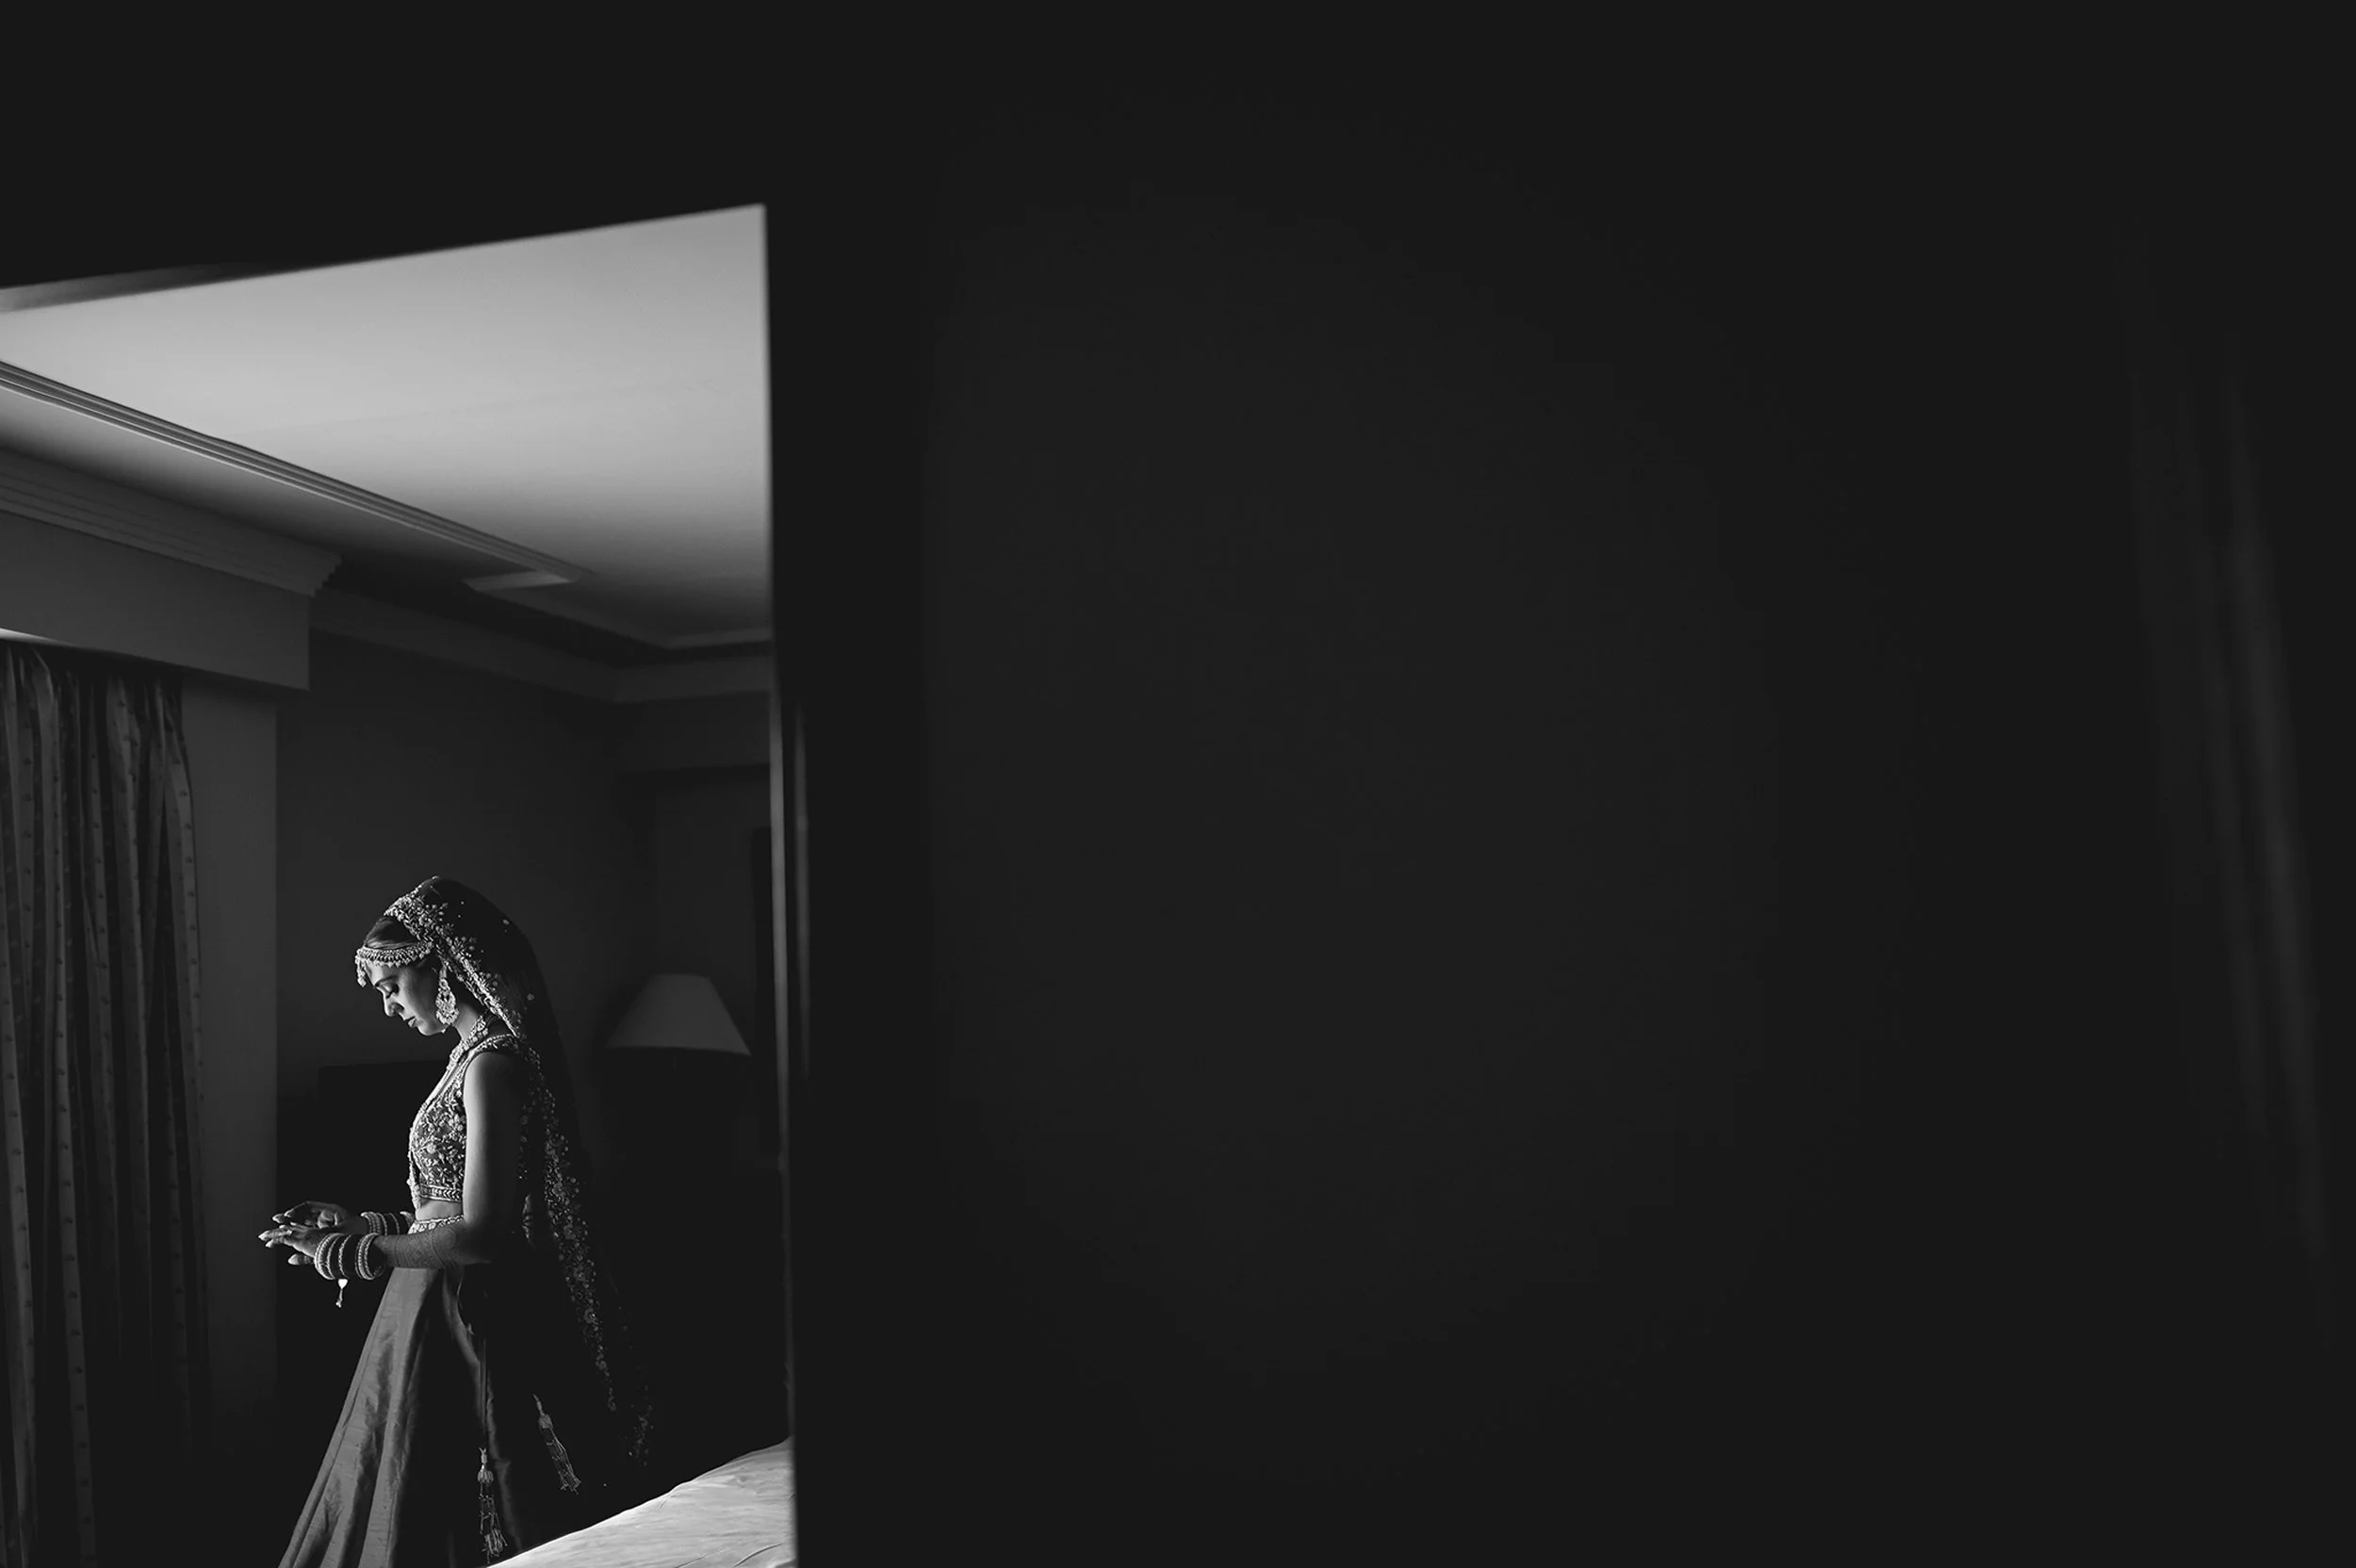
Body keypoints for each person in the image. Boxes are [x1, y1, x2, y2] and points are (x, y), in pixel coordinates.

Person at [264, 876, 654, 1565]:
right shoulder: (466, 1060)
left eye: (391, 985)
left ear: (438, 966)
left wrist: (353, 1253)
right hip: (428, 1301)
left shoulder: (494, 1066)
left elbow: (481, 1233)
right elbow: (443, 1207)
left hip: (465, 1307)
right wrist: (358, 1222)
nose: (386, 1005)